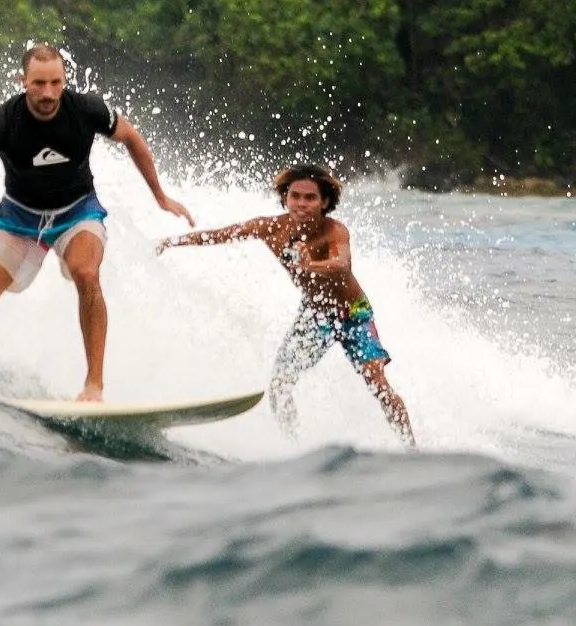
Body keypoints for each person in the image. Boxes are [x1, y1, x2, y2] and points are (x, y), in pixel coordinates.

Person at [0, 43, 194, 402]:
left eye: (55, 83)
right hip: (19, 218)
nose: (48, 93)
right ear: (23, 81)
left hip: (77, 212)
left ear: (65, 80)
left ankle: (94, 387)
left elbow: (132, 138)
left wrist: (159, 195)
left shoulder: (87, 110)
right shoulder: (3, 122)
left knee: (85, 272)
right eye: (38, 84)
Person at [156, 164, 415, 447]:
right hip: (316, 314)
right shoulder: (271, 228)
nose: (301, 204)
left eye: (310, 198)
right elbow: (223, 234)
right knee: (279, 387)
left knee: (377, 383)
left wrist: (311, 264)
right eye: (295, 196)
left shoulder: (334, 230)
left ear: (325, 202)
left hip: (353, 312)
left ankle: (411, 449)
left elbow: (342, 264)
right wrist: (174, 241)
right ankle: (293, 447)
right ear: (285, 198)